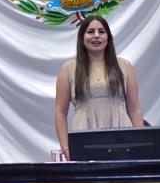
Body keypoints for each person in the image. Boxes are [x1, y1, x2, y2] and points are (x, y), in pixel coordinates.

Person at [55, 16, 143, 160]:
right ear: (82, 37)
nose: (96, 36)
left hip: (122, 140)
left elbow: (135, 109)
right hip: (84, 140)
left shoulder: (126, 66)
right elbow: (60, 112)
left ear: (108, 37)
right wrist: (66, 149)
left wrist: (139, 143)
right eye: (91, 32)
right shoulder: (68, 69)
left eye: (101, 31)